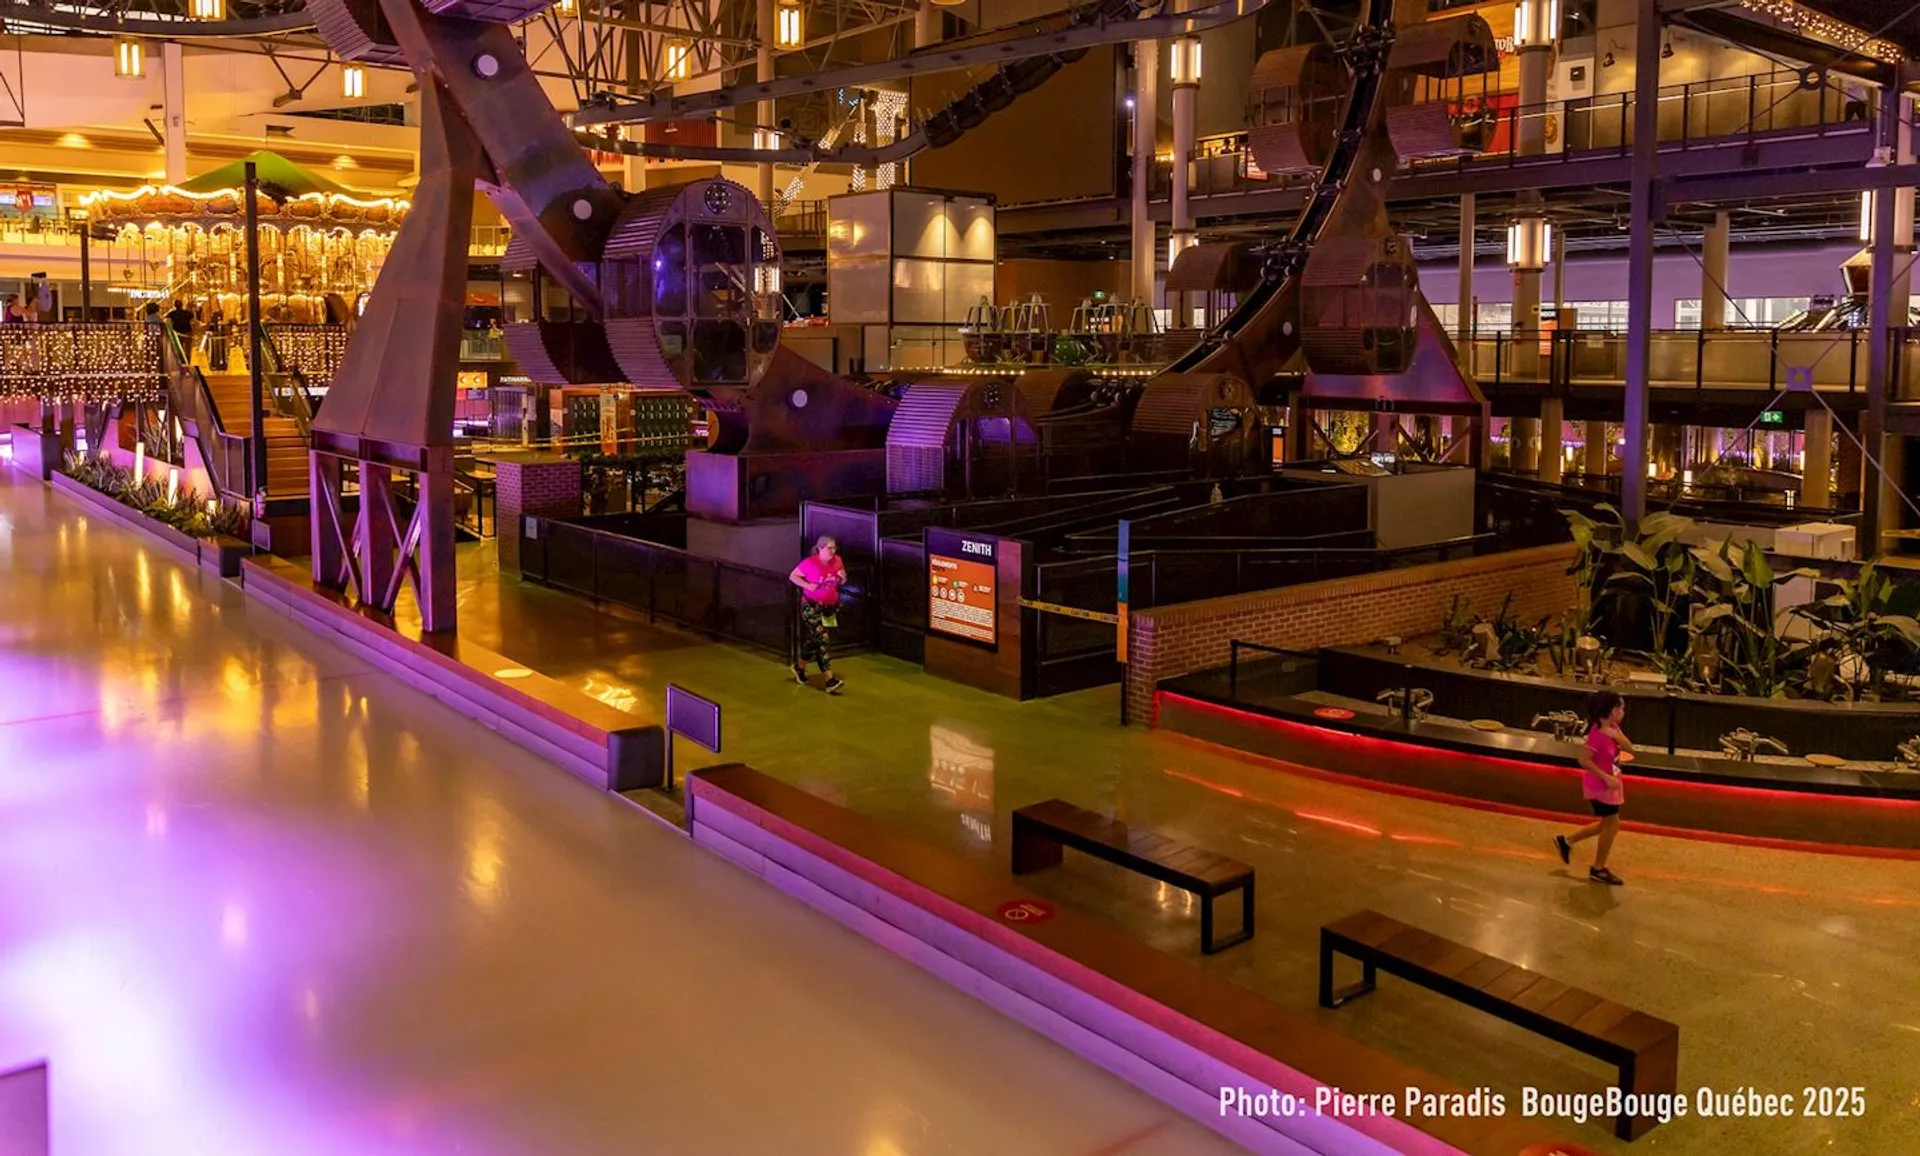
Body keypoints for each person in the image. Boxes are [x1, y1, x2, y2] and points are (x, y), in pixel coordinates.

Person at [1555, 689, 1629, 885]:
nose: (1623, 711)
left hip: (1611, 784)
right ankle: (1598, 869)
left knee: (1605, 826)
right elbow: (1583, 760)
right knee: (1612, 826)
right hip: (1600, 787)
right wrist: (1605, 777)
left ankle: (1566, 842)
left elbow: (1629, 746)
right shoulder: (1597, 735)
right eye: (1621, 708)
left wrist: (1616, 736)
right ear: (1613, 710)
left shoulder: (1612, 728)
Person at [788, 535, 847, 694]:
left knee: (815, 639)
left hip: (829, 607)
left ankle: (799, 667)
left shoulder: (837, 561)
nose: (832, 551)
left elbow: (841, 578)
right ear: (820, 548)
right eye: (829, 548)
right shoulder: (810, 563)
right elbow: (793, 576)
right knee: (823, 639)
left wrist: (843, 578)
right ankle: (829, 679)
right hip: (812, 606)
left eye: (834, 548)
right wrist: (807, 585)